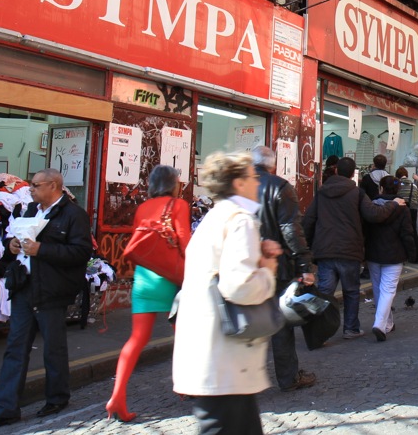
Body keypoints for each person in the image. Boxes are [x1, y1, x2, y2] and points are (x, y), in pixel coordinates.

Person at [0, 169, 93, 431]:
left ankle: (57, 398)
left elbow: (81, 252)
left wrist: (43, 249)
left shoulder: (74, 215)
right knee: (15, 348)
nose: (31, 190)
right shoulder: (30, 209)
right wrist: (13, 245)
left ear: (53, 186)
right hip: (25, 286)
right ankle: (6, 408)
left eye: (36, 186)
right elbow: (15, 240)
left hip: (52, 289)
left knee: (53, 348)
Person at [172, 151, 279, 435]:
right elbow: (240, 285)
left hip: (212, 351)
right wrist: (267, 270)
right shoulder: (240, 220)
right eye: (254, 178)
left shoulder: (216, 217)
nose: (258, 183)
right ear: (239, 183)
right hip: (223, 355)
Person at [106, 165, 192, 421]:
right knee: (183, 333)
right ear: (173, 183)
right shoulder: (179, 205)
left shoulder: (143, 207)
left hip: (144, 277)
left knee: (137, 339)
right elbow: (184, 240)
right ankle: (184, 384)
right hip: (172, 277)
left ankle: (117, 395)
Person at [303, 157, 396, 339]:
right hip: (349, 249)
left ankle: (319, 331)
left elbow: (308, 220)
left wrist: (306, 248)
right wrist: (392, 204)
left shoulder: (321, 192)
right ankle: (351, 328)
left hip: (325, 250)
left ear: (337, 171)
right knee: (351, 291)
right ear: (353, 173)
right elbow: (373, 214)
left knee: (325, 292)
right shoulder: (357, 193)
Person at [251, 146, 316, 393]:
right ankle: (288, 377)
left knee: (244, 320)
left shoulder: (239, 185)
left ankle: (241, 379)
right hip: (275, 265)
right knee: (279, 323)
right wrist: (304, 265)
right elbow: (291, 229)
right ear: (273, 165)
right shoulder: (279, 186)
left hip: (244, 266)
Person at [365, 176, 416, 341]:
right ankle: (380, 324)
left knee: (378, 288)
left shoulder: (371, 206)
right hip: (394, 254)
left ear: (381, 188)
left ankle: (388, 323)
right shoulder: (402, 208)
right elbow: (407, 234)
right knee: (388, 290)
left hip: (373, 253)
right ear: (397, 190)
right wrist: (412, 253)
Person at [395, 167, 418, 263]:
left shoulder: (397, 184)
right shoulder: (413, 185)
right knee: (413, 232)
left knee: (400, 232)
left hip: (401, 209)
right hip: (413, 209)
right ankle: (416, 256)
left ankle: (403, 256)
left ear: (397, 175)